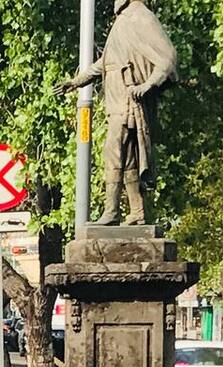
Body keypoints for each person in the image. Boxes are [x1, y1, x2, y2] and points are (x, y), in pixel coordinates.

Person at [55, 0, 177, 225]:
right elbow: (106, 62)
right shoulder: (123, 21)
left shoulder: (140, 17)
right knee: (128, 156)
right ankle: (137, 212)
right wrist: (76, 82)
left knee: (113, 153)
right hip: (116, 101)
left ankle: (111, 212)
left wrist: (147, 85)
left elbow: (168, 57)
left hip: (128, 102)